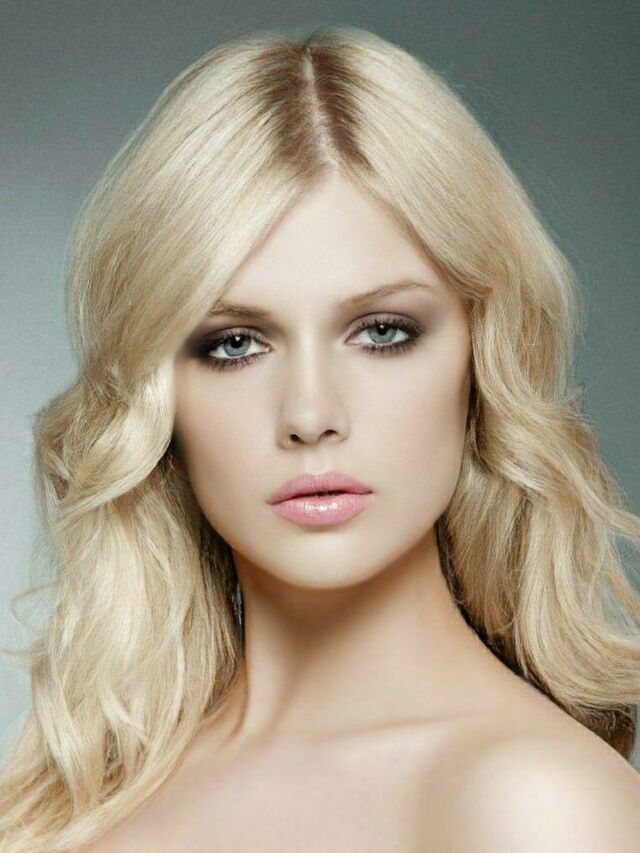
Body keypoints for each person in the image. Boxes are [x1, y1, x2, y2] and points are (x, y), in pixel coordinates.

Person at [1, 25, 639, 852]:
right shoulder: (87, 793)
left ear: (482, 357)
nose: (310, 413)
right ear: (160, 393)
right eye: (235, 343)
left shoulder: (536, 805)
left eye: (383, 331)